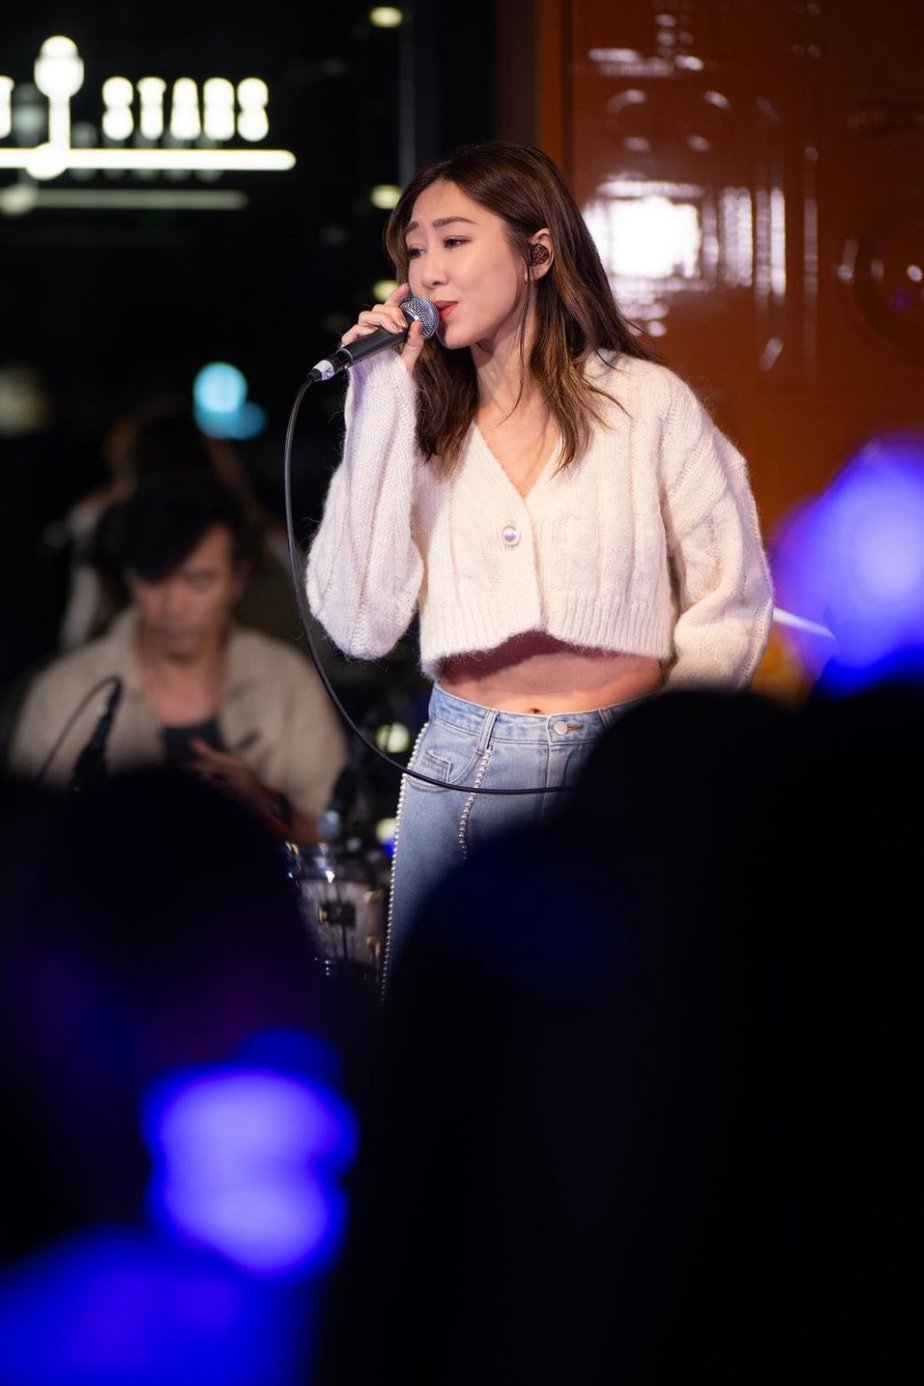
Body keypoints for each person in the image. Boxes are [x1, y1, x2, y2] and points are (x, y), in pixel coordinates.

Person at [305, 140, 774, 963]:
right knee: (450, 1031)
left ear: (538, 253)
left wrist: (668, 750)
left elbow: (729, 595)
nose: (428, 272)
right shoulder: (413, 418)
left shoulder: (643, 404)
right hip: (458, 765)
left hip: (616, 763)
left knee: (626, 1023)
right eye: (414, 250)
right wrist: (377, 401)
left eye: (455, 241)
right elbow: (360, 624)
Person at [7, 471, 347, 844]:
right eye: (155, 581)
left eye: (198, 581)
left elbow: (336, 833)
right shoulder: (66, 692)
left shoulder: (287, 682)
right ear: (129, 576)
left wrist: (268, 806)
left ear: (237, 579)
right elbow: (22, 838)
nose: (174, 606)